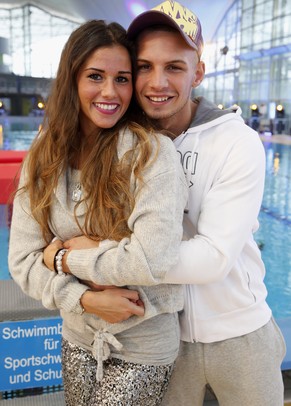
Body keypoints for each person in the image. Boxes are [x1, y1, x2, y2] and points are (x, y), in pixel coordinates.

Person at [8, 19, 188, 406]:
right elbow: (22, 261)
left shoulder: (150, 154)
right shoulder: (43, 156)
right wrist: (85, 298)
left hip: (142, 343)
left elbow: (152, 258)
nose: (110, 92)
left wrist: (64, 257)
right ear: (71, 80)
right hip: (76, 333)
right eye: (95, 76)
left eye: (122, 79)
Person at [125, 1, 287, 405]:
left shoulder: (236, 141)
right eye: (145, 66)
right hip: (159, 337)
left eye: (174, 67)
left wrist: (106, 258)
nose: (157, 82)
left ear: (198, 72)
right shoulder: (122, 145)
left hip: (240, 336)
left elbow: (214, 258)